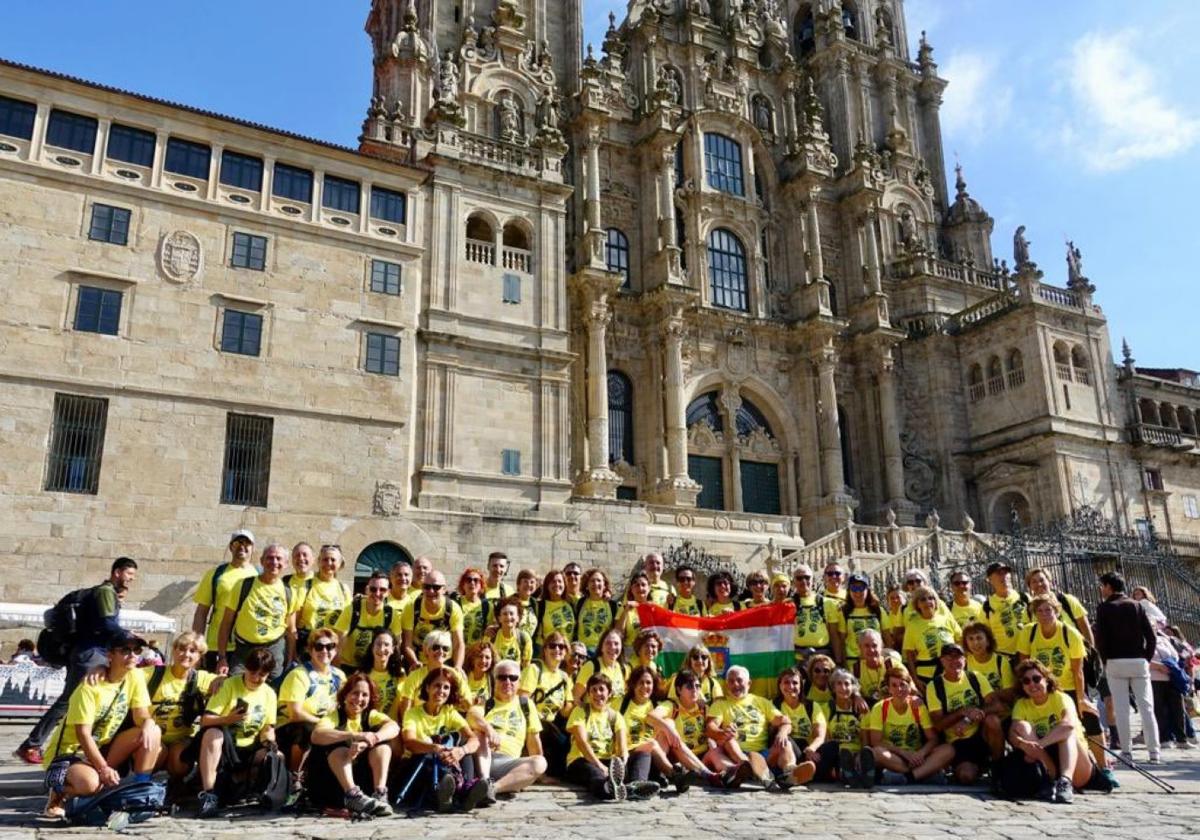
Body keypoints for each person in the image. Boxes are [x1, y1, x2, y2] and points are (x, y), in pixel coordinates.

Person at [18, 557, 139, 765]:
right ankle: (32, 744)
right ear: (117, 572)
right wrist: (128, 635)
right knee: (69, 700)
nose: (131, 579)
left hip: (90, 652)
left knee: (82, 701)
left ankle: (72, 745)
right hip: (91, 653)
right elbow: (107, 623)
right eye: (129, 574)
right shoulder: (105, 592)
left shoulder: (107, 594)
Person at [40, 631, 161, 819]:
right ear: (110, 654)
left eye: (137, 650)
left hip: (103, 748)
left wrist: (147, 722)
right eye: (125, 650)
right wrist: (103, 768)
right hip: (71, 752)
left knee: (152, 730)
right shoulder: (89, 686)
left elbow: (141, 714)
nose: (133, 655)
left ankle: (141, 789)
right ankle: (58, 792)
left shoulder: (134, 676)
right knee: (90, 785)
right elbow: (83, 734)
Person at [194, 647, 279, 818]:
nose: (256, 678)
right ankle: (208, 793)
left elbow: (268, 727)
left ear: (268, 675)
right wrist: (228, 719)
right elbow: (205, 720)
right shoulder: (229, 685)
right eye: (253, 672)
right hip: (226, 744)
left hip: (249, 746)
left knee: (275, 755)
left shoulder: (269, 694)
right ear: (246, 669)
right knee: (213, 734)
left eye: (261, 675)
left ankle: (263, 793)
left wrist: (270, 741)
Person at [307, 673, 398, 817]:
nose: (359, 699)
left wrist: (372, 739)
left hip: (363, 782)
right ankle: (352, 796)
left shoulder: (370, 715)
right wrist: (355, 735)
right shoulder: (334, 716)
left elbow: (394, 727)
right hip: (332, 785)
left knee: (383, 746)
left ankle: (379, 793)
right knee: (338, 746)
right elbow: (317, 735)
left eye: (364, 695)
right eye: (355, 693)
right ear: (345, 696)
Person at [1009, 659, 1100, 803]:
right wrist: (1022, 744)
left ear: (1046, 679)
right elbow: (1013, 733)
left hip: (1076, 764)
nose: (1032, 684)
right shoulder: (1022, 704)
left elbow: (1068, 724)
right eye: (1026, 681)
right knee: (1022, 727)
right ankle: (1049, 778)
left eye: (1036, 679)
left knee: (1066, 732)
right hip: (1047, 760)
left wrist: (1039, 745)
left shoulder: (1061, 698)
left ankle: (1065, 782)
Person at [397, 667, 487, 812]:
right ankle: (444, 794)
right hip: (419, 764)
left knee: (465, 745)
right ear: (427, 688)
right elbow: (409, 742)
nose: (441, 691)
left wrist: (460, 751)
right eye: (437, 686)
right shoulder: (413, 714)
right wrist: (434, 748)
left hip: (446, 761)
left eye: (446, 687)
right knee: (429, 757)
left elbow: (473, 739)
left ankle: (465, 789)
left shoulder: (449, 712)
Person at [1093, 571, 1158, 763]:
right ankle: (1154, 751)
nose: (1101, 589)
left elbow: (1101, 639)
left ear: (1109, 587)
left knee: (1121, 709)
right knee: (1147, 706)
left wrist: (1105, 660)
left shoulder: (1104, 608)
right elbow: (1151, 636)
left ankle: (1127, 751)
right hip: (1138, 660)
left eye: (1102, 585)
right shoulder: (1136, 605)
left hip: (1115, 661)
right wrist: (1146, 657)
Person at [142, 631, 220, 779]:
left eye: (192, 651)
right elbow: (124, 674)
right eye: (182, 649)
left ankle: (175, 787)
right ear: (173, 650)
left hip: (181, 738)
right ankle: (142, 785)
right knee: (157, 752)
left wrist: (222, 678)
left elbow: (232, 683)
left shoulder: (200, 678)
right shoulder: (152, 674)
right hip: (151, 735)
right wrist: (99, 669)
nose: (186, 654)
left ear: (199, 656)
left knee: (179, 762)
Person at [704, 665, 795, 790]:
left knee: (786, 743)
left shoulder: (761, 702)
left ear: (749, 683)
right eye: (731, 681)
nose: (735, 684)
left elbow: (785, 722)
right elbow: (710, 728)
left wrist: (783, 732)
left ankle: (790, 773)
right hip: (736, 754)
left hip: (763, 754)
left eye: (739, 680)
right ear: (726, 685)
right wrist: (722, 732)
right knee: (729, 739)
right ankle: (747, 766)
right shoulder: (720, 704)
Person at [469, 658, 548, 800]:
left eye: (513, 678)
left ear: (519, 681)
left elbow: (534, 742)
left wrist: (539, 775)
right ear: (494, 680)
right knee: (478, 733)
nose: (508, 682)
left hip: (508, 763)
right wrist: (489, 729)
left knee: (540, 762)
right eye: (502, 677)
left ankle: (492, 789)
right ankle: (484, 780)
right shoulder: (486, 703)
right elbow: (472, 715)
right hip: (483, 758)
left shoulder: (526, 705)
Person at [215, 543, 296, 679]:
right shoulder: (243, 585)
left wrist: (289, 659)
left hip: (274, 650)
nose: (274, 562)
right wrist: (222, 657)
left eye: (279, 559)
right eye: (270, 558)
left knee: (272, 691)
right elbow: (226, 623)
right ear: (262, 561)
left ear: (286, 563)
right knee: (236, 687)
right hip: (245, 650)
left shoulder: (289, 592)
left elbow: (291, 631)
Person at [926, 643, 1002, 783]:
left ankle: (999, 768)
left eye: (958, 657)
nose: (954, 662)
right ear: (942, 661)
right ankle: (978, 767)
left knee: (993, 721)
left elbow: (997, 706)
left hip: (981, 735)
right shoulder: (934, 686)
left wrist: (970, 718)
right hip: (957, 740)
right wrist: (962, 713)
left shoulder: (975, 677)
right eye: (949, 658)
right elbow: (938, 725)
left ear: (965, 660)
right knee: (966, 777)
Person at [864, 667, 954, 786]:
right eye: (894, 685)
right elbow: (876, 741)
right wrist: (903, 753)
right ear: (889, 689)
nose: (899, 689)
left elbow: (933, 738)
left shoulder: (917, 706)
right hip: (894, 757)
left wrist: (921, 754)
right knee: (876, 753)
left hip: (917, 756)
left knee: (948, 750)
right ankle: (924, 774)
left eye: (903, 684)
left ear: (909, 686)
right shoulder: (880, 708)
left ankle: (909, 777)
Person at [275, 629, 345, 776]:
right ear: (310, 649)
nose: (325, 651)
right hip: (290, 729)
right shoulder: (299, 675)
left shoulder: (339, 676)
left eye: (330, 646)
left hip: (323, 725)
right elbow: (295, 714)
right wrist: (321, 723)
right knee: (307, 729)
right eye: (319, 647)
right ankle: (295, 776)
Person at [616, 665, 693, 796]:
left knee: (666, 725)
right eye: (641, 682)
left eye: (649, 683)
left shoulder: (656, 706)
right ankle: (674, 775)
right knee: (651, 745)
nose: (645, 686)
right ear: (633, 684)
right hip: (627, 755)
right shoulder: (621, 703)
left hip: (652, 758)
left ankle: (650, 782)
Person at [1018, 595, 1092, 719]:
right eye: (1039, 611)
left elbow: (1078, 671)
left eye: (1048, 610)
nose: (1044, 614)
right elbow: (1024, 666)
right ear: (1035, 614)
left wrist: (1081, 699)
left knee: (1090, 722)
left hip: (1067, 688)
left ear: (1056, 612)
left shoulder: (1071, 634)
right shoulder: (1028, 632)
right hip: (1041, 690)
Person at [193, 531, 257, 671]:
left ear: (253, 548)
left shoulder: (259, 575)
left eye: (247, 543)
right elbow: (201, 612)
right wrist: (196, 645)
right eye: (238, 543)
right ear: (231, 547)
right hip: (216, 644)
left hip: (246, 645)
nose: (242, 546)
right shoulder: (216, 574)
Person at [566, 673, 629, 801]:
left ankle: (624, 787)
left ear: (609, 693)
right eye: (593, 690)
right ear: (588, 694)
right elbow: (582, 743)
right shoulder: (580, 711)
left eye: (602, 689)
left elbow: (622, 747)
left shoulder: (616, 717)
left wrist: (622, 763)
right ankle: (607, 789)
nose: (597, 694)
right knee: (595, 774)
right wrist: (600, 766)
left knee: (625, 770)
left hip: (606, 760)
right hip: (580, 760)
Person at [520, 631, 574, 776]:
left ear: (566, 652)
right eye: (553, 646)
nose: (557, 649)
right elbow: (523, 699)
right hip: (531, 722)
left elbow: (566, 711)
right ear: (545, 649)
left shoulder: (564, 677)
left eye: (561, 647)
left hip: (552, 723)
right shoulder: (535, 669)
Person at [396, 632, 471, 719]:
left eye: (445, 648)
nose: (441, 651)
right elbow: (406, 711)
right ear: (427, 650)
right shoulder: (414, 676)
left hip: (446, 724)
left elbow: (467, 705)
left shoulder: (454, 675)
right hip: (420, 723)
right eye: (436, 647)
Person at [400, 570, 465, 670]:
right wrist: (415, 663)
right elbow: (407, 644)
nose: (431, 591)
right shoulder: (411, 607)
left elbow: (458, 643)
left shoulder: (453, 608)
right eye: (427, 587)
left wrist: (458, 667)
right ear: (422, 587)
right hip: (418, 661)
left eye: (436, 587)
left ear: (444, 589)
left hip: (444, 662)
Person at [295, 546, 352, 656]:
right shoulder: (305, 585)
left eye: (333, 560)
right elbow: (295, 621)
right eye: (325, 559)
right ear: (319, 562)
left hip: (331, 648)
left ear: (340, 564)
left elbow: (346, 623)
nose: (328, 563)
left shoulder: (344, 589)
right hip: (308, 647)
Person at [902, 585, 962, 691]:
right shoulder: (912, 625)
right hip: (926, 675)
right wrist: (915, 680)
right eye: (923, 599)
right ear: (917, 604)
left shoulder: (946, 619)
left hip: (951, 671)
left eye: (931, 598)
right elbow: (910, 655)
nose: (927, 602)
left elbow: (960, 640)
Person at [333, 571, 395, 669]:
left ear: (388, 592)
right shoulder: (352, 609)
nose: (377, 593)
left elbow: (394, 648)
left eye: (382, 590)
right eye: (373, 589)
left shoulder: (391, 614)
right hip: (347, 666)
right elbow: (337, 646)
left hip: (372, 668)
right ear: (367, 590)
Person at [814, 668, 866, 783]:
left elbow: (865, 740)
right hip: (837, 755)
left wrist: (860, 756)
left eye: (847, 684)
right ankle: (848, 774)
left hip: (856, 753)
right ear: (833, 687)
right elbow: (826, 739)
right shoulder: (826, 709)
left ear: (853, 687)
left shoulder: (860, 709)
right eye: (839, 684)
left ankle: (857, 773)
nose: (843, 688)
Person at [774, 667, 822, 785]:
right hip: (787, 748)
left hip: (807, 750)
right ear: (780, 685)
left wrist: (812, 748)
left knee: (832, 747)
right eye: (786, 682)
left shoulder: (812, 706)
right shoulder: (774, 705)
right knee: (786, 739)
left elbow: (820, 735)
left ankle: (805, 773)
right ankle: (793, 772)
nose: (791, 686)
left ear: (801, 685)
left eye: (795, 683)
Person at [1025, 568, 1093, 646]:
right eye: (1034, 582)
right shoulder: (1029, 609)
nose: (1039, 584)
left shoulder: (1068, 601)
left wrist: (1091, 651)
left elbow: (1085, 628)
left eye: (1042, 580)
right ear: (1030, 586)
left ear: (1049, 582)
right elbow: (1028, 636)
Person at [1150, 620, 1191, 749]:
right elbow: (1143, 659)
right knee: (1159, 709)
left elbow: (1175, 654)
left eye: (1153, 626)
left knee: (1178, 709)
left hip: (1171, 678)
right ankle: (1164, 738)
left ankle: (1181, 738)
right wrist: (1159, 666)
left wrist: (1170, 664)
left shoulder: (1163, 639)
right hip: (1155, 677)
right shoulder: (1141, 640)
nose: (1152, 628)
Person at [832, 574, 882, 667]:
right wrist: (843, 663)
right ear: (849, 591)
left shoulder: (878, 611)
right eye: (854, 588)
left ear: (867, 590)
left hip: (876, 661)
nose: (858, 592)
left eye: (861, 588)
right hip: (853, 662)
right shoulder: (844, 612)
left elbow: (886, 637)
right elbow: (842, 642)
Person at [791, 564, 837, 664]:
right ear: (793, 581)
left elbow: (834, 635)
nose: (803, 581)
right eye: (799, 578)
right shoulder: (788, 605)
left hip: (822, 658)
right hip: (797, 658)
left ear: (813, 580)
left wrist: (839, 660)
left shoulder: (827, 603)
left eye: (807, 577)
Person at [962, 621, 1016, 707]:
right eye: (971, 639)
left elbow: (1010, 693)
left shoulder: (1001, 661)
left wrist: (987, 695)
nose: (975, 643)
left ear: (988, 641)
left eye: (979, 638)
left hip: (1000, 709)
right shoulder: (964, 663)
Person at [983, 561, 1028, 658]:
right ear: (990, 580)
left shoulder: (1024, 598)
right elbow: (984, 635)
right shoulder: (987, 606)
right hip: (1004, 658)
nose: (1004, 576)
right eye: (999, 573)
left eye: (1006, 572)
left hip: (1028, 653)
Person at [574, 628, 629, 703]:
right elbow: (576, 697)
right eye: (608, 643)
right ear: (601, 647)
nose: (612, 647)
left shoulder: (624, 669)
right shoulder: (591, 666)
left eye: (616, 643)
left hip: (614, 714)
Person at [361, 629, 405, 721]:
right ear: (372, 647)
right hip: (369, 728)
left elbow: (403, 702)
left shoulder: (400, 673)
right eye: (378, 644)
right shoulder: (362, 675)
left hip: (393, 728)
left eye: (386, 645)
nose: (381, 649)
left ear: (392, 649)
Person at [574, 570, 619, 655]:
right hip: (583, 651)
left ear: (604, 585)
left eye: (599, 580)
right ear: (587, 585)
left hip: (603, 652)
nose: (595, 583)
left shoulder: (612, 605)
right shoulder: (580, 603)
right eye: (592, 581)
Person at [853, 628, 901, 703]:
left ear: (882, 646)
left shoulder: (893, 665)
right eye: (867, 646)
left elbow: (911, 688)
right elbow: (851, 689)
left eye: (874, 645)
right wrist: (856, 696)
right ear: (860, 648)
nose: (871, 650)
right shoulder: (855, 669)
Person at [284, 542, 316, 653]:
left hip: (311, 641)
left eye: (305, 555)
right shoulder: (284, 581)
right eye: (297, 555)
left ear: (313, 559)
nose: (301, 558)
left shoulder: (320, 582)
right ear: (292, 560)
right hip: (286, 639)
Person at [535, 570, 576, 649]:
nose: (557, 584)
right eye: (553, 582)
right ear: (547, 585)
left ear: (565, 584)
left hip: (568, 652)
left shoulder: (572, 603)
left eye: (560, 581)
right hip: (549, 652)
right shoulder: (540, 606)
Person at [490, 598, 533, 670]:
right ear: (499, 618)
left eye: (511, 613)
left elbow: (526, 666)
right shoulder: (491, 636)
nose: (508, 617)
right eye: (505, 614)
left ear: (518, 618)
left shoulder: (524, 638)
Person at [453, 567, 491, 646]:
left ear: (481, 585)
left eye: (476, 580)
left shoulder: (487, 606)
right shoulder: (455, 603)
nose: (472, 583)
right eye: (468, 580)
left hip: (477, 653)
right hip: (458, 650)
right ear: (463, 585)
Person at [463, 641, 496, 705]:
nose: (483, 661)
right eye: (480, 656)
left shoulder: (493, 678)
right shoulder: (463, 674)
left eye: (487, 657)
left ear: (492, 660)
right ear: (472, 658)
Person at [514, 570, 540, 641]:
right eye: (525, 581)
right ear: (518, 585)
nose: (529, 584)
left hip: (529, 648)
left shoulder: (535, 604)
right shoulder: (510, 602)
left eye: (532, 582)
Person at [882, 583, 907, 650]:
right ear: (888, 601)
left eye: (898, 597)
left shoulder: (907, 612)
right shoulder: (886, 616)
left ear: (904, 599)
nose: (895, 600)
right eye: (892, 598)